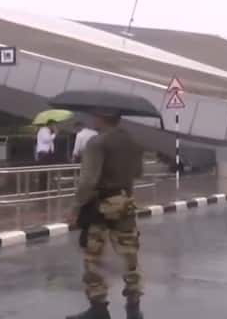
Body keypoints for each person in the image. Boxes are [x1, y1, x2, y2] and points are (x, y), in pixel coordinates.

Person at [67, 109, 144, 319]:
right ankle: (134, 306)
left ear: (101, 117)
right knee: (129, 254)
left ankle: (98, 308)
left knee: (93, 257)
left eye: (95, 115)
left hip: (100, 206)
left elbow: (88, 181)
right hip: (125, 202)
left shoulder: (97, 143)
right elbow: (138, 172)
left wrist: (75, 207)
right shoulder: (132, 142)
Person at [35, 120, 58, 189]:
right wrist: (55, 134)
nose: (55, 127)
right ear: (50, 125)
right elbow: (47, 139)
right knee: (43, 172)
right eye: (54, 125)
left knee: (47, 171)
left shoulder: (47, 131)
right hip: (44, 153)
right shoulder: (44, 130)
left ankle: (45, 187)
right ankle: (42, 188)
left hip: (47, 153)